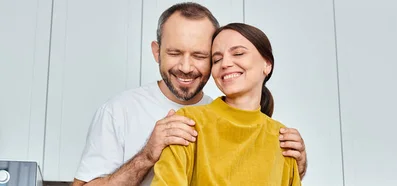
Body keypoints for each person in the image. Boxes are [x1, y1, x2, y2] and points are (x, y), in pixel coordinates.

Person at [72, 3, 307, 186]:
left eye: (200, 56)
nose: (185, 67)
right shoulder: (119, 111)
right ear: (157, 52)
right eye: (174, 52)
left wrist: (297, 164)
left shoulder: (221, 116)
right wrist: (147, 155)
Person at [151, 22, 300, 186]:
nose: (225, 63)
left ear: (267, 64)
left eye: (238, 53)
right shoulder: (187, 123)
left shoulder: (283, 140)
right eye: (217, 59)